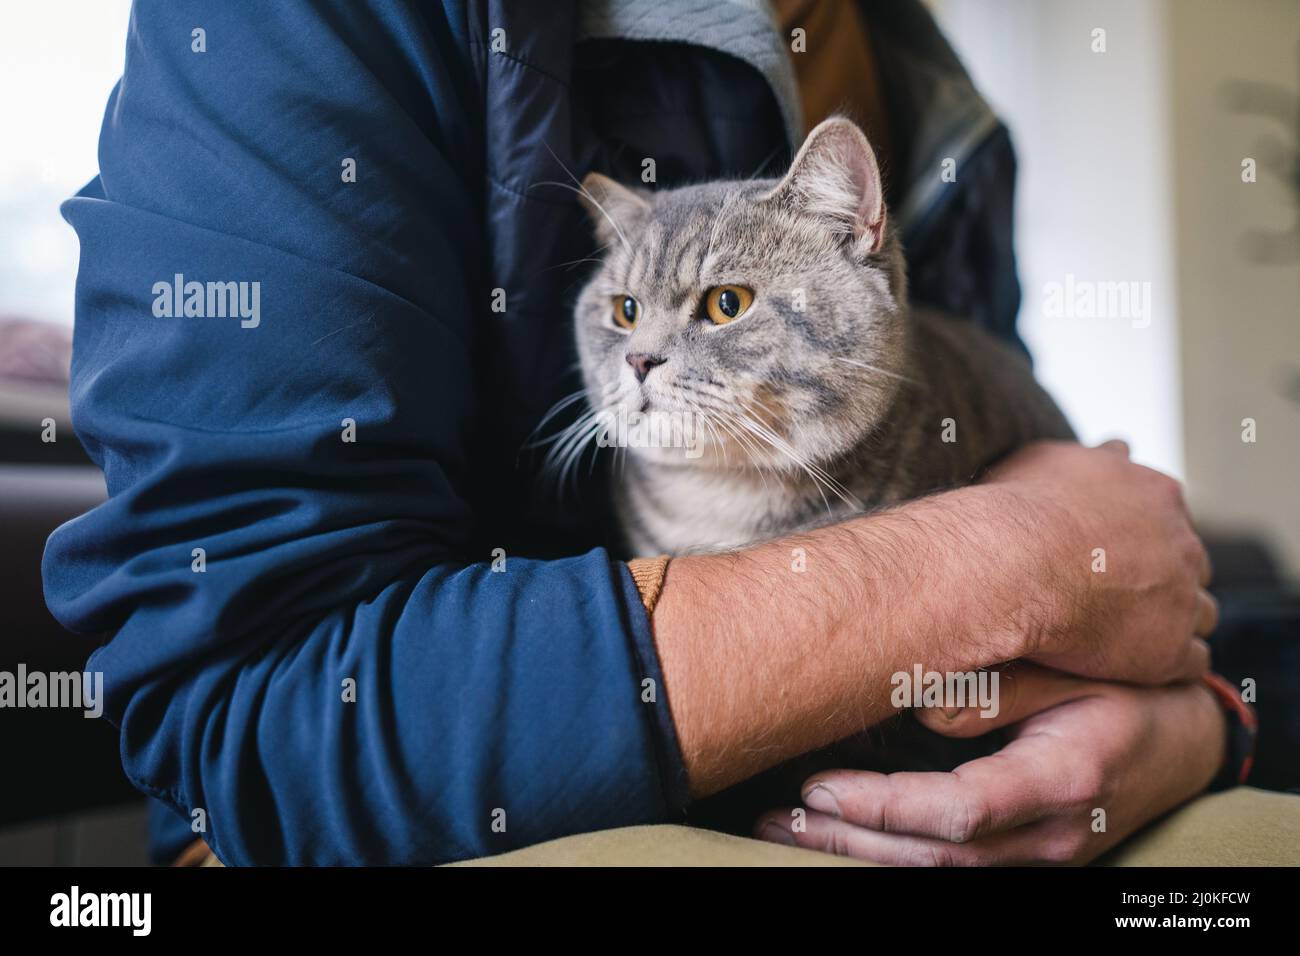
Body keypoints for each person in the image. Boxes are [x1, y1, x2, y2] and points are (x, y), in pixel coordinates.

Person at [45, 0, 1286, 867]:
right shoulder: (303, 28)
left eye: (723, 305)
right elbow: (249, 702)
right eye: (626, 311)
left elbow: (1086, 604)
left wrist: (1192, 726)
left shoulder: (930, 86)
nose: (638, 353)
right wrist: (996, 562)